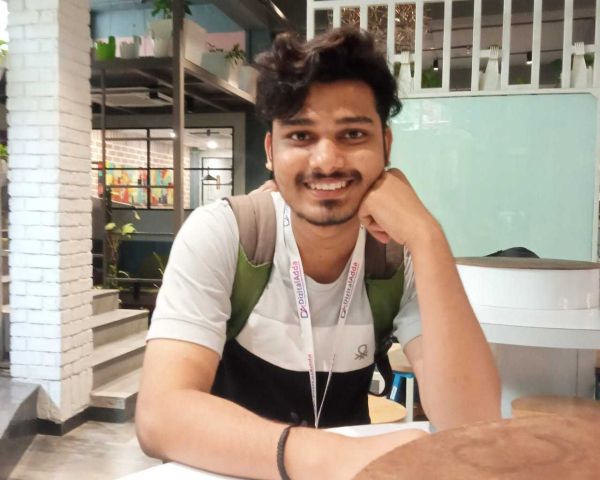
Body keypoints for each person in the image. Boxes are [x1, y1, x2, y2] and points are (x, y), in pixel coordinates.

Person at [136, 27, 501, 479]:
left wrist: (428, 237)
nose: (327, 161)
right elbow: (159, 416)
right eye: (301, 135)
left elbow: (474, 425)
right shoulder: (226, 236)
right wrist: (332, 457)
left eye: (352, 134)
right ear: (271, 151)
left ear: (386, 146)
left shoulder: (396, 257)